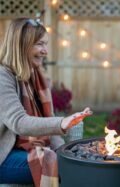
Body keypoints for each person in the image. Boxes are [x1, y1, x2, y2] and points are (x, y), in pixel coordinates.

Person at [0, 18, 92, 186]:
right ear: (22, 45)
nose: (45, 51)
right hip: (4, 156)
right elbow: (19, 122)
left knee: (75, 159)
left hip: (28, 149)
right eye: (40, 44)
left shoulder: (36, 77)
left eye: (46, 44)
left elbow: (48, 120)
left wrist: (65, 151)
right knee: (57, 164)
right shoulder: (2, 77)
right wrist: (62, 123)